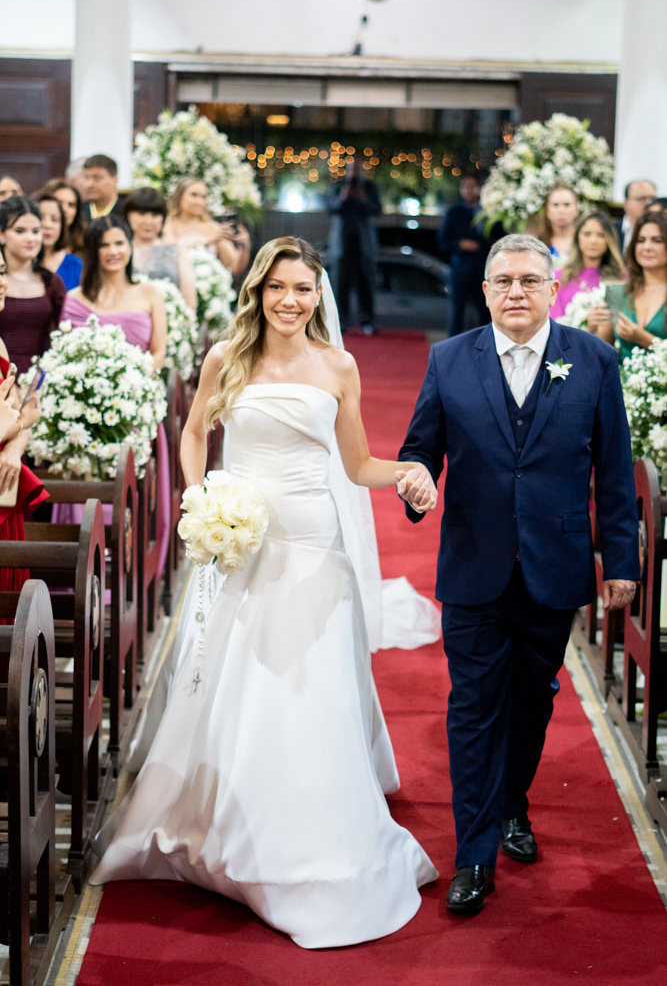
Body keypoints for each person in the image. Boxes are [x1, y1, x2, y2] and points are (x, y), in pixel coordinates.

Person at [90, 236, 439, 948]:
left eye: (303, 289)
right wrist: (202, 499)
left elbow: (356, 462)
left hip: (313, 544)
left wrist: (409, 473)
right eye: (278, 287)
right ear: (259, 290)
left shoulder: (338, 365)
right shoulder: (228, 357)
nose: (289, 300)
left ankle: (312, 836)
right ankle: (232, 825)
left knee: (308, 690)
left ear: (318, 295)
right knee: (233, 679)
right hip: (241, 538)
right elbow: (192, 435)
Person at [397, 232, 639, 916]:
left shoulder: (591, 360)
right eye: (502, 281)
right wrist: (414, 485)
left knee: (532, 701)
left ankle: (511, 805)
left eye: (529, 281)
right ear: (483, 291)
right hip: (472, 564)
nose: (515, 292)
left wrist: (619, 559)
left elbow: (614, 472)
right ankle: (473, 854)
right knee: (471, 708)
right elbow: (419, 450)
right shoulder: (449, 361)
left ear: (552, 287)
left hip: (553, 564)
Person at [54, 215, 170, 572]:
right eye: (104, 245)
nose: (113, 251)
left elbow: (159, 352)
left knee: (126, 493)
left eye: (119, 243)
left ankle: (126, 569)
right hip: (84, 412)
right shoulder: (75, 298)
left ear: (130, 246)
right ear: (93, 250)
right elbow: (63, 354)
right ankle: (83, 569)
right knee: (85, 490)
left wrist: (129, 381)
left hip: (134, 408)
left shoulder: (150, 293)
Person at [0, 251, 50, 599]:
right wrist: (21, 422)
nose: (3, 282)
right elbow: (19, 417)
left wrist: (15, 450)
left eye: (1, 271)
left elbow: (19, 411)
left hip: (5, 477)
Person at [0, 196, 65, 374]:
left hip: (40, 378)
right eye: (20, 231)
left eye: (36, 231)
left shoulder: (51, 282)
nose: (31, 239)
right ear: (1, 234)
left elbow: (59, 335)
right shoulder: (1, 281)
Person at [436, 174, 503, 338]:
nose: (468, 190)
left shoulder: (490, 212)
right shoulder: (454, 212)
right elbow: (442, 242)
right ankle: (453, 348)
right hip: (460, 269)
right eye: (465, 186)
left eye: (472, 186)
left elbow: (501, 239)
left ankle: (487, 346)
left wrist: (482, 246)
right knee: (457, 311)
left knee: (486, 311)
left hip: (484, 269)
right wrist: (459, 244)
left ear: (479, 189)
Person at [328, 157, 382, 335]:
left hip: (363, 245)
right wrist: (342, 198)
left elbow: (377, 210)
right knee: (341, 285)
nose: (355, 173)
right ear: (347, 170)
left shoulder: (369, 187)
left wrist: (364, 199)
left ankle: (367, 320)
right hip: (342, 245)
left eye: (358, 169)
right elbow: (330, 209)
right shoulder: (338, 186)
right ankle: (341, 321)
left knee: (365, 284)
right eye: (352, 169)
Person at [162, 177, 251, 277]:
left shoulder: (214, 228)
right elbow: (168, 255)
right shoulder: (168, 226)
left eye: (203, 197)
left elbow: (233, 267)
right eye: (194, 195)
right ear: (179, 196)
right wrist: (207, 241)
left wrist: (244, 248)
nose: (199, 201)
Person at [124, 187, 196, 310]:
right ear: (128, 215)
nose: (148, 221)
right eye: (141, 214)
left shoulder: (176, 251)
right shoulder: (120, 250)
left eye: (155, 215)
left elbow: (189, 300)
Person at [611, 211, 667, 362]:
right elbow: (602, 350)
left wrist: (642, 338)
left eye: (657, 240)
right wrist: (592, 326)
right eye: (641, 240)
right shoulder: (620, 293)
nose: (647, 247)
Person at [550, 211, 624, 321]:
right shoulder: (560, 276)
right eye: (587, 234)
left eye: (601, 235)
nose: (593, 241)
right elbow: (554, 321)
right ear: (577, 237)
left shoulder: (620, 277)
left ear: (609, 240)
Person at [33, 191, 83, 291]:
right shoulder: (21, 262)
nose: (47, 225)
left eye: (54, 219)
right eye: (41, 217)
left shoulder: (78, 266)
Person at [42, 178, 86, 256]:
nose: (65, 209)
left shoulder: (85, 241)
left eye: (71, 205)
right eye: (60, 203)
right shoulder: (34, 241)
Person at [537, 184, 579, 265]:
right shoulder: (537, 244)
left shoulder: (584, 241)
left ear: (576, 210)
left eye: (567, 204)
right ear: (547, 211)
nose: (561, 210)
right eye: (555, 205)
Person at [615, 179, 657, 254]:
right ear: (626, 204)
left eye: (652, 199)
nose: (648, 203)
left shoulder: (663, 231)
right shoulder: (612, 230)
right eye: (641, 198)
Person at [81, 154, 123, 222]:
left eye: (96, 178)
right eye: (86, 178)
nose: (89, 184)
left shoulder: (125, 213)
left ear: (115, 180)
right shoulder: (78, 212)